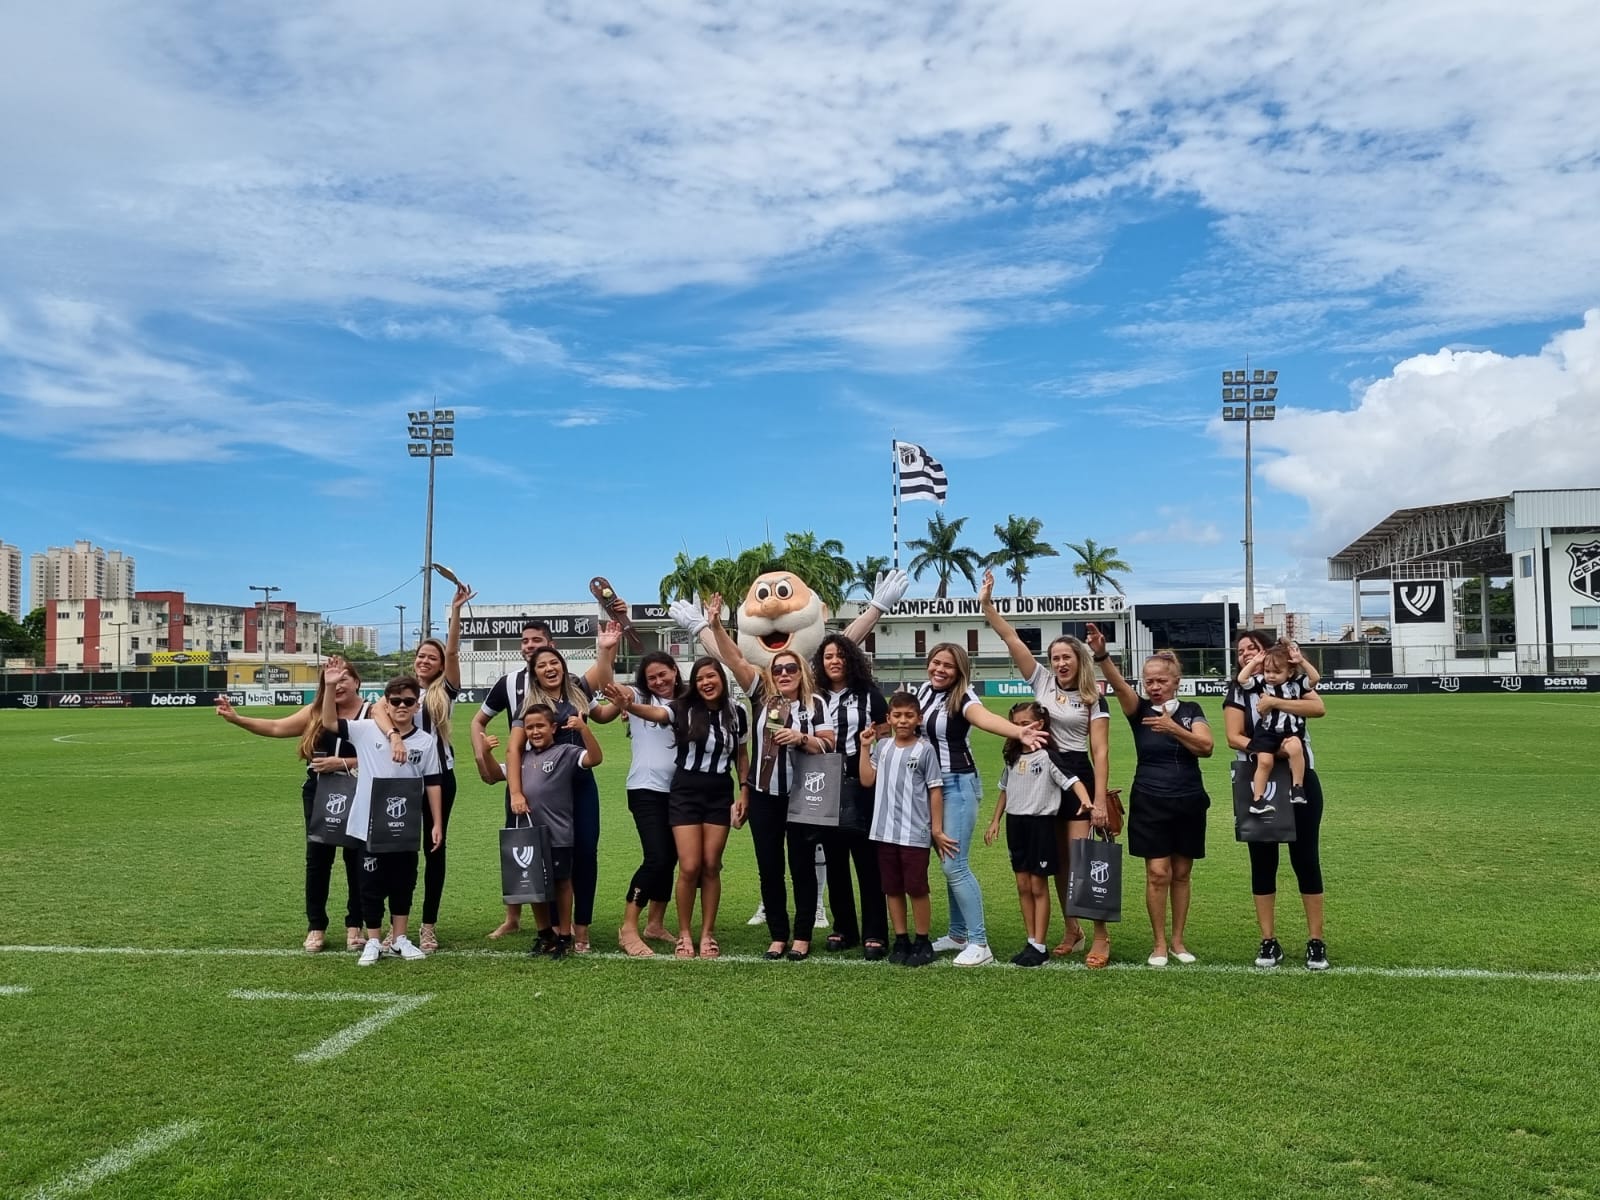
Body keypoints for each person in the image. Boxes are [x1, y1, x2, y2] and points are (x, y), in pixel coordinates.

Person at [979, 569, 1114, 965]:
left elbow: (1101, 752)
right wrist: (987, 604)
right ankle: (1072, 928)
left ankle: (1100, 936)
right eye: (1054, 658)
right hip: (1043, 775)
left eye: (1066, 657)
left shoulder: (1093, 698)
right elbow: (1011, 638)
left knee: (1083, 858)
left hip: (1078, 776)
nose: (1059, 664)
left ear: (1079, 659)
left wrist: (1100, 800)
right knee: (1054, 860)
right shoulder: (1041, 683)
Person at [696, 596, 834, 960]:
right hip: (764, 795)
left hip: (803, 795)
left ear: (801, 671)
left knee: (802, 866)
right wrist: (714, 626)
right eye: (778, 670)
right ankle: (778, 934)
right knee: (769, 868)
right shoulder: (761, 696)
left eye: (790, 669)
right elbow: (737, 659)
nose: (784, 674)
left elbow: (829, 743)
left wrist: (802, 739)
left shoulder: (815, 704)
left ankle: (802, 936)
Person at [470, 619, 620, 943]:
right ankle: (552, 928)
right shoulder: (529, 707)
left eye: (554, 663)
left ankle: (581, 928)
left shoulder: (578, 689)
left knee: (584, 853)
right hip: (545, 789)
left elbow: (602, 714)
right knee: (544, 855)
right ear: (534, 672)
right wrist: (516, 792)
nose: (549, 668)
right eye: (542, 665)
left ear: (562, 666)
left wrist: (621, 699)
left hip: (579, 784)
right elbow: (512, 750)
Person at [214, 657, 368, 952]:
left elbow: (384, 753)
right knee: (318, 859)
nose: (338, 684)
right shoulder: (316, 712)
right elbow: (274, 727)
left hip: (358, 789)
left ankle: (355, 925)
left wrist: (343, 763)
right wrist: (237, 718)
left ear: (357, 682)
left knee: (356, 858)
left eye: (344, 677)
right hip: (319, 791)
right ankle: (316, 926)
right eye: (331, 679)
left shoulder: (372, 713)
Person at [605, 657, 749, 960]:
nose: (706, 683)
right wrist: (626, 705)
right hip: (675, 790)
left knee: (709, 865)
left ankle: (698, 932)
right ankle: (668, 932)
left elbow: (742, 754)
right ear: (694, 683)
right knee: (682, 864)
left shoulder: (737, 712)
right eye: (700, 679)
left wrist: (744, 791)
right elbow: (656, 713)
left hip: (716, 791)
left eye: (712, 677)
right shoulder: (682, 707)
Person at [914, 642, 1048, 967]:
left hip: (957, 785)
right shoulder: (924, 691)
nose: (939, 669)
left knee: (954, 865)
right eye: (935, 662)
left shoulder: (964, 697)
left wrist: (1019, 731)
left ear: (960, 671)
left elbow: (985, 719)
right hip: (930, 786)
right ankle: (958, 933)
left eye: (947, 665)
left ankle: (979, 942)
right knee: (947, 864)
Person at [1089, 627, 1213, 968]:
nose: (1154, 687)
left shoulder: (1191, 710)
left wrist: (1173, 727)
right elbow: (1117, 685)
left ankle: (1178, 941)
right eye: (1149, 681)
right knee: (1158, 873)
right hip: (1149, 800)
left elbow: (1207, 747)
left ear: (1176, 681)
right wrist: (1101, 655)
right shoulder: (1138, 709)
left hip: (1188, 800)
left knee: (1182, 873)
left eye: (1160, 681)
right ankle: (1159, 944)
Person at [367, 580, 473, 953]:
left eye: (433, 657)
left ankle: (428, 926)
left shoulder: (445, 690)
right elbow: (378, 709)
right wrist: (395, 736)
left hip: (439, 777)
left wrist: (455, 610)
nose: (425, 661)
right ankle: (392, 929)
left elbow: (456, 651)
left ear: (441, 664)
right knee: (396, 850)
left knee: (434, 848)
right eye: (421, 656)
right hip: (402, 778)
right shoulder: (402, 692)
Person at [320, 669, 443, 966]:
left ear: (417, 706)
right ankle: (373, 940)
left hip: (405, 826)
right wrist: (330, 686)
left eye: (408, 701)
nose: (402, 706)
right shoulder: (365, 730)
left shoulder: (425, 742)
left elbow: (433, 782)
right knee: (370, 884)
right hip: (368, 825)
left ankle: (400, 938)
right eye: (395, 701)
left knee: (403, 882)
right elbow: (327, 722)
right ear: (385, 704)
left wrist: (437, 822)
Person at [1225, 629, 1330, 970]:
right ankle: (1268, 941)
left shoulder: (1292, 682)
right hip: (1259, 780)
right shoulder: (1241, 690)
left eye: (1252, 648)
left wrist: (1276, 703)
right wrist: (1266, 749)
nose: (1246, 654)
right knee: (1263, 863)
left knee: (1306, 860)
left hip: (1299, 780)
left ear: (1269, 652)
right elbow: (1232, 737)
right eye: (1241, 650)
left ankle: (1316, 940)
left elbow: (1318, 707)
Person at [589, 652, 685, 957]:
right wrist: (607, 652)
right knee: (656, 857)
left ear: (674, 670)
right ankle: (628, 927)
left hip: (681, 791)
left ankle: (655, 924)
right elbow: (617, 690)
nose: (658, 682)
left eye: (663, 675)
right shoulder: (640, 696)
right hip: (646, 789)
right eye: (652, 678)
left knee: (671, 858)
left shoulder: (687, 699)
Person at [985, 702, 1092, 968]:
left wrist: (1086, 801)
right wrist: (995, 820)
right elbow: (1004, 789)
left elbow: (1073, 780)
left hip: (1041, 826)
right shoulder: (1011, 757)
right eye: (1016, 724)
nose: (1020, 729)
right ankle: (1031, 940)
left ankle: (1040, 945)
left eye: (1025, 723)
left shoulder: (1047, 757)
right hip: (1016, 825)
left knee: (1037, 885)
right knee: (1022, 885)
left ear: (1040, 725)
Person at [810, 633, 890, 959]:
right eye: (829, 656)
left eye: (841, 655)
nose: (834, 661)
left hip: (862, 781)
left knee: (867, 859)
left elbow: (889, 725)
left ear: (851, 659)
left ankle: (876, 931)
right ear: (821, 661)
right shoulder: (813, 696)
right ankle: (845, 928)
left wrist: (872, 737)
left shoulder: (868, 694)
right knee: (835, 859)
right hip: (824, 780)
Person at [507, 702, 604, 960]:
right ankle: (545, 934)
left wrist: (583, 729)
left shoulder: (566, 752)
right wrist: (482, 753)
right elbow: (494, 774)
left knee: (562, 883)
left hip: (559, 833)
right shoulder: (523, 758)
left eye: (540, 726)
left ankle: (564, 934)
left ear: (553, 727)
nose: (535, 731)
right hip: (530, 836)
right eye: (529, 727)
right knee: (534, 885)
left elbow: (595, 758)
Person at [858, 694, 948, 967]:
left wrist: (936, 828)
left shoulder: (925, 750)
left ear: (918, 719)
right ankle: (901, 938)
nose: (902, 721)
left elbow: (935, 790)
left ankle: (922, 940)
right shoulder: (882, 746)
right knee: (892, 888)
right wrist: (865, 747)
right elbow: (866, 780)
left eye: (909, 716)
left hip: (914, 833)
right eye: (897, 716)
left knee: (916, 888)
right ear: (889, 719)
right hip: (884, 831)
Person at [1235, 641, 1311, 812]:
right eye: (1267, 671)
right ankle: (1258, 799)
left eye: (1276, 672)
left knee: (1295, 747)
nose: (1271, 676)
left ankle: (1297, 788)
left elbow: (1315, 679)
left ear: (1289, 671)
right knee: (1264, 762)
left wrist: (1301, 661)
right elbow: (1242, 679)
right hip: (1268, 732)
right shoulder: (1261, 682)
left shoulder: (1295, 685)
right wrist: (1255, 662)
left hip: (1289, 731)